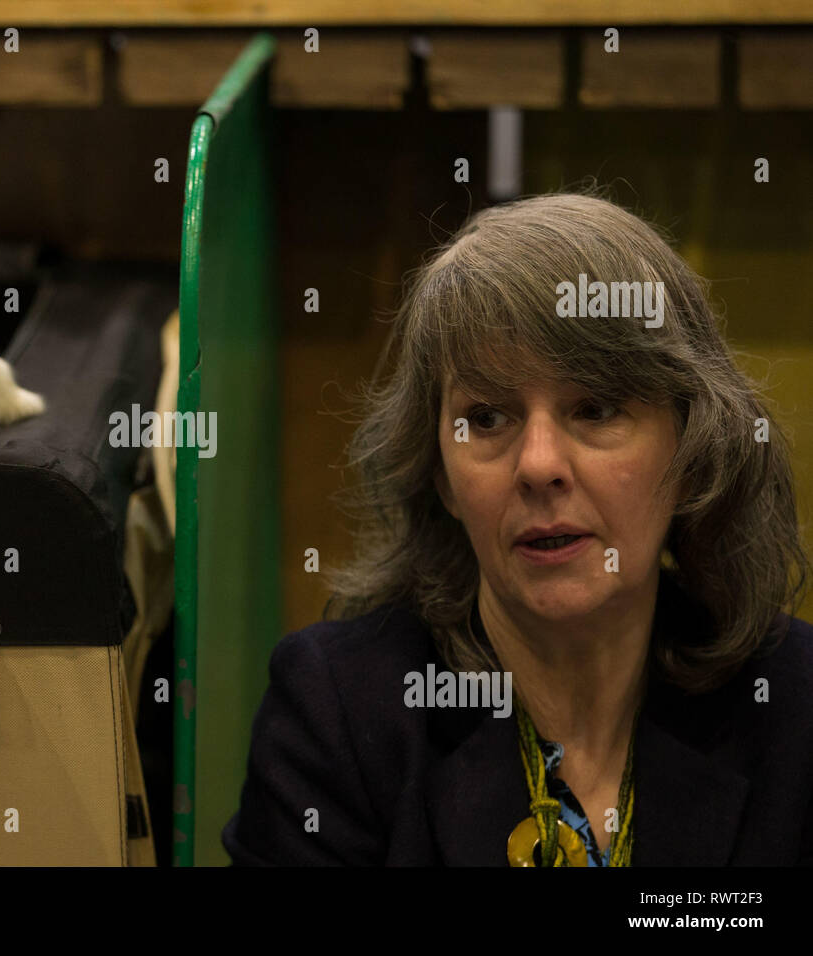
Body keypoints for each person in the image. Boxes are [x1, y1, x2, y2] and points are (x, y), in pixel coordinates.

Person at [222, 192, 813, 866]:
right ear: (440, 474)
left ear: (692, 448)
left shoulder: (794, 707)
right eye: (488, 418)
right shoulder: (337, 717)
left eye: (594, 408)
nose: (537, 466)